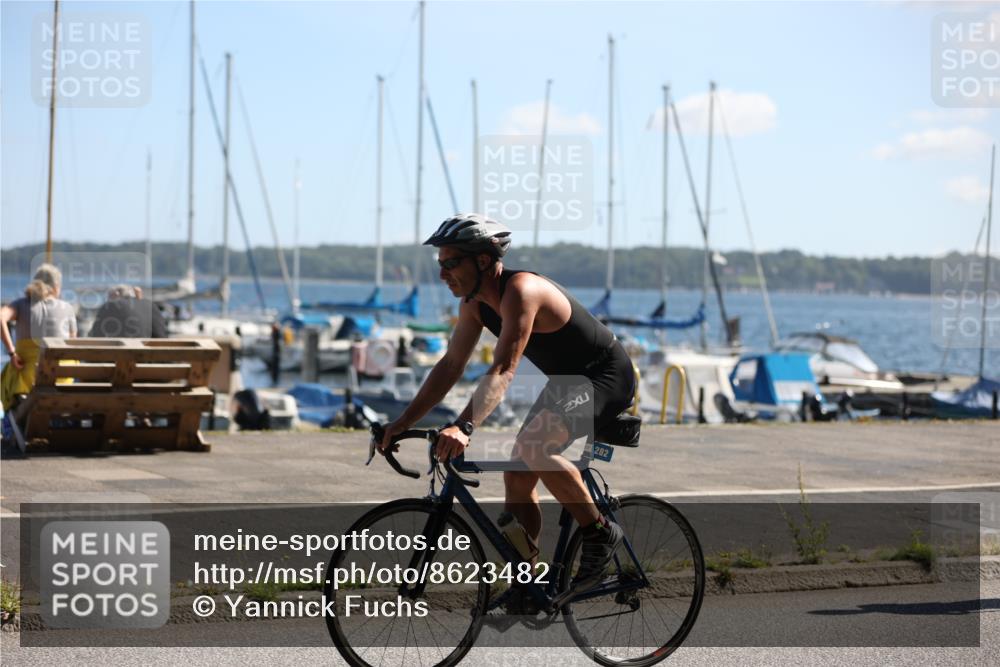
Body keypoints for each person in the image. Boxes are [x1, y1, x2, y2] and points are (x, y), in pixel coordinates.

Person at [379, 213, 635, 598]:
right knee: (516, 472)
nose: (443, 273)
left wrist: (464, 427)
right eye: (440, 265)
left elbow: (503, 368)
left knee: (533, 449)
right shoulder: (474, 304)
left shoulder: (522, 291)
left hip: (604, 376)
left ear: (482, 261)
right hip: (567, 384)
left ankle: (599, 531)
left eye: (450, 263)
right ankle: (527, 583)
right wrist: (401, 422)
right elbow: (450, 365)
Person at [1, 264, 78, 413]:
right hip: (61, 378)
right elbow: (73, 344)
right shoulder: (67, 308)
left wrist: (11, 352)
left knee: (6, 378)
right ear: (56, 287)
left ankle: (10, 425)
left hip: (28, 379)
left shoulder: (21, 304)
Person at [88, 284, 168, 338]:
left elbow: (95, 335)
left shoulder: (110, 306)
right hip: (150, 359)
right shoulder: (150, 305)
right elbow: (161, 335)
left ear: (116, 294)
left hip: (119, 358)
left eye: (109, 298)